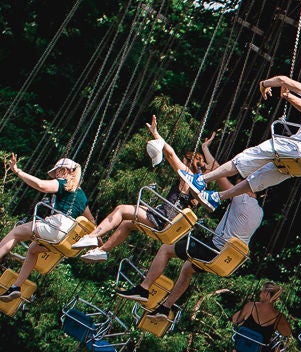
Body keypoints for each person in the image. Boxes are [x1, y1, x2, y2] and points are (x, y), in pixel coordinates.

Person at [74, 117, 219, 260]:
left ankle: (92, 236)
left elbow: (170, 154)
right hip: (170, 222)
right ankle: (102, 250)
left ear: (189, 163)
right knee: (127, 224)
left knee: (121, 209)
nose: (181, 162)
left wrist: (156, 134)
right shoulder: (202, 186)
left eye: (184, 161)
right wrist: (205, 148)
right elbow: (216, 168)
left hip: (163, 218)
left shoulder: (188, 176)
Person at [119, 186, 265, 316]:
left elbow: (223, 175)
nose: (237, 186)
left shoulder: (241, 199)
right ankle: (165, 308)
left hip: (213, 249)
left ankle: (143, 288)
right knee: (187, 269)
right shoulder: (260, 212)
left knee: (165, 249)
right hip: (226, 260)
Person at [201, 72, 301, 198]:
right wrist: (288, 96)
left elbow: (282, 80)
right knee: (261, 178)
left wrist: (264, 84)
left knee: (249, 156)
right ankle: (218, 197)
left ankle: (202, 180)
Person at [0, 156, 89, 300]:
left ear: (64, 171)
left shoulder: (63, 183)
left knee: (16, 232)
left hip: (56, 226)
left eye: (57, 173)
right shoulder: (82, 196)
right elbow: (90, 222)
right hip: (68, 236)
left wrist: (18, 172)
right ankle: (16, 287)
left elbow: (41, 185)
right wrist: (100, 245)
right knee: (33, 250)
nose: (56, 176)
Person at [226, 281, 293, 352]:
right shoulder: (278, 316)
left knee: (243, 339)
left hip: (242, 345)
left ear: (267, 294)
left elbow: (235, 319)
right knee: (279, 349)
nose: (259, 294)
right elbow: (287, 333)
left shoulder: (251, 306)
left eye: (261, 292)